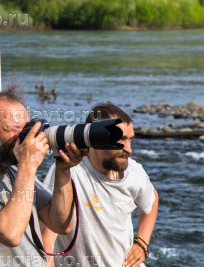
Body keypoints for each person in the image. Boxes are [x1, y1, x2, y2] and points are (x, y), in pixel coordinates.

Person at [0, 90, 87, 267]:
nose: (24, 138)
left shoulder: (15, 172)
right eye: (13, 129)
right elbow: (10, 234)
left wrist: (63, 170)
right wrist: (28, 165)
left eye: (25, 129)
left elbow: (61, 224)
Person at [41, 102, 159, 267]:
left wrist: (142, 242)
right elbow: (47, 236)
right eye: (121, 140)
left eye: (130, 140)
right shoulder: (68, 169)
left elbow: (152, 198)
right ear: (95, 138)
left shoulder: (134, 172)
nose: (129, 149)